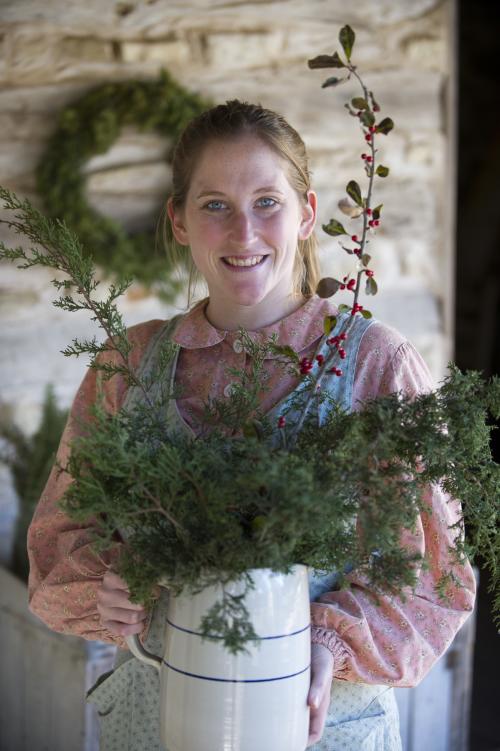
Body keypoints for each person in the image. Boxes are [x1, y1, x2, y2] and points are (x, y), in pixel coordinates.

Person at [27, 100, 476, 750]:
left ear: (307, 213)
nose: (243, 232)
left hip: (320, 724)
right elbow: (56, 546)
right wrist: (109, 584)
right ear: (179, 220)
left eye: (267, 201)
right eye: (215, 205)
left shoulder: (375, 366)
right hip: (157, 721)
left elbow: (437, 574)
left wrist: (328, 639)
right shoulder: (128, 366)